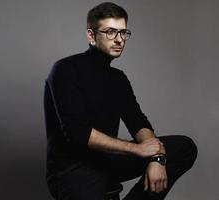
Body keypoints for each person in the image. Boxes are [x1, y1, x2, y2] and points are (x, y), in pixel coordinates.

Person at [43, 2, 197, 200]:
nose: (119, 40)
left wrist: (157, 158)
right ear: (91, 35)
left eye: (123, 33)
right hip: (73, 168)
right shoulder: (66, 70)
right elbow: (78, 133)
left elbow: (137, 121)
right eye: (110, 32)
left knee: (184, 147)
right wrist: (138, 149)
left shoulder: (118, 78)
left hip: (107, 162)